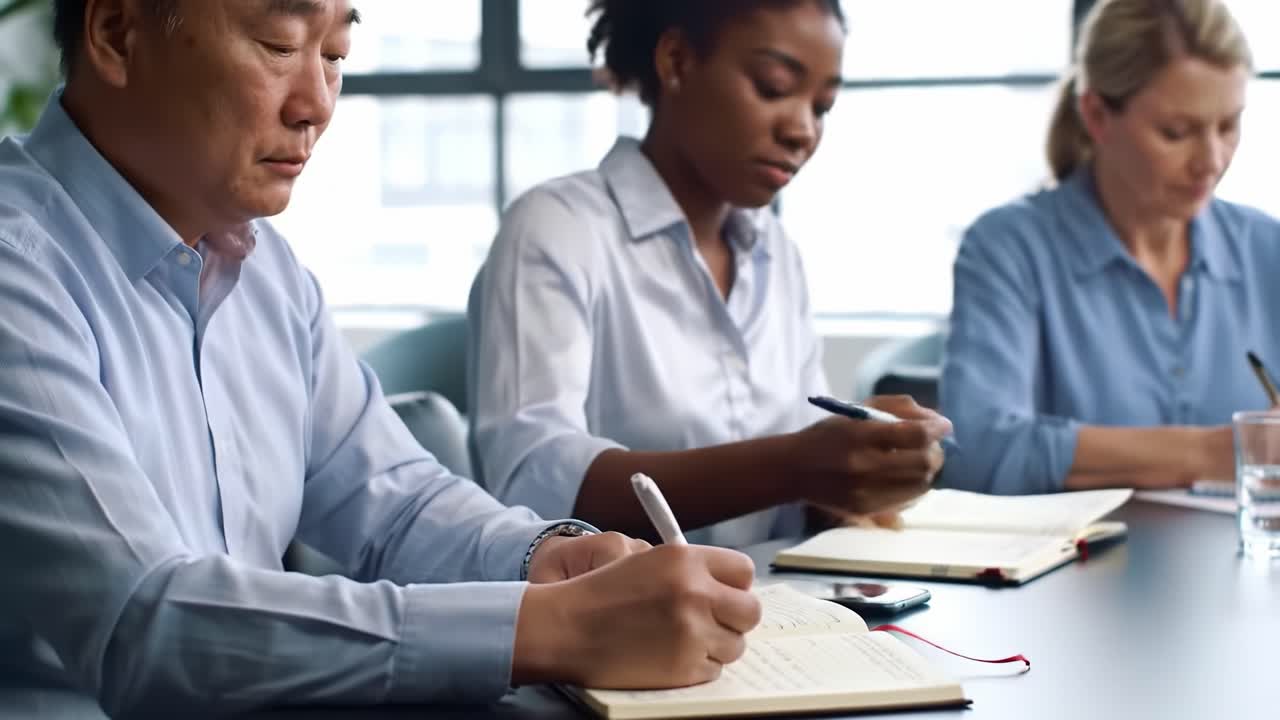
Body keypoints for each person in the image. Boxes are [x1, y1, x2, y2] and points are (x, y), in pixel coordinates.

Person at [0, 1, 765, 716]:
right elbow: (141, 617)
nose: (317, 104)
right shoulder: (18, 270)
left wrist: (543, 559)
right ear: (116, 34)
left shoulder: (267, 273)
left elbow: (395, 502)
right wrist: (546, 626)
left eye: (335, 54)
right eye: (278, 46)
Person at [467, 0, 952, 548]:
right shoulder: (557, 229)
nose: (803, 131)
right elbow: (534, 477)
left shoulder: (775, 252)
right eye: (773, 87)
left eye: (822, 107)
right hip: (623, 617)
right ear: (676, 60)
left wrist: (854, 474)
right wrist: (794, 466)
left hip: (784, 608)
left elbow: (803, 479)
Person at [939, 0, 1280, 495]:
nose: (1211, 160)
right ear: (1097, 114)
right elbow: (981, 451)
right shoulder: (1008, 248)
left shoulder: (1268, 247)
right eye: (1176, 132)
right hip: (1072, 569)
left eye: (1228, 126)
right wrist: (1221, 451)